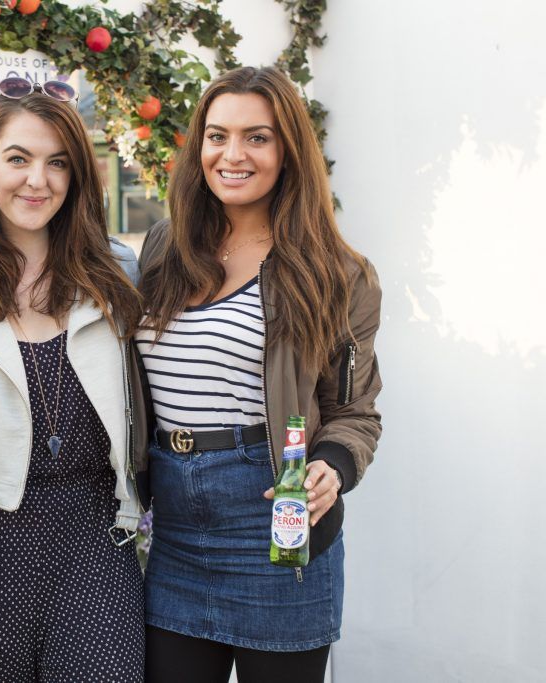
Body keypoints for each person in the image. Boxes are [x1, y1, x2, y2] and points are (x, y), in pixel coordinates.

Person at [135, 66, 383, 682]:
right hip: (171, 528)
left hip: (273, 521)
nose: (232, 154)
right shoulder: (165, 247)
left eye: (257, 137)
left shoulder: (334, 271)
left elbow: (356, 412)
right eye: (217, 136)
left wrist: (333, 464)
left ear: (288, 150)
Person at [0, 80, 146, 681]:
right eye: (18, 158)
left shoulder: (119, 276)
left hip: (96, 546)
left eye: (57, 163)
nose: (37, 180)